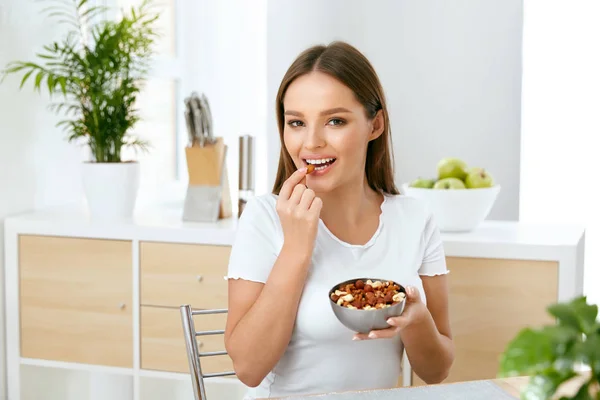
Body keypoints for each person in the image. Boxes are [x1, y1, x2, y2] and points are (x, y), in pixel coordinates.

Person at [224, 41, 454, 399]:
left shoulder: (414, 219)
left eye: (335, 121)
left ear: (374, 125)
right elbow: (248, 370)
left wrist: (417, 319)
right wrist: (297, 249)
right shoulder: (265, 218)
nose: (311, 142)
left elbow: (436, 371)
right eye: (296, 123)